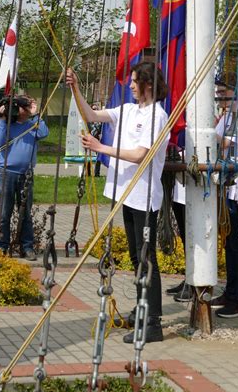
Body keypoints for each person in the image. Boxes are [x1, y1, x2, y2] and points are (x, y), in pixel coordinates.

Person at [67, 61, 170, 343]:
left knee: (146, 259)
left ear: (148, 84)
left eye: (135, 81)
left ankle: (153, 323)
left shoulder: (156, 116)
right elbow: (90, 114)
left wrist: (101, 148)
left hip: (144, 195)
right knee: (137, 257)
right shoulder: (127, 110)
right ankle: (141, 308)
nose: (131, 85)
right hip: (126, 193)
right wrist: (75, 86)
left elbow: (140, 154)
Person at [0, 95, 49, 260]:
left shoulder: (32, 125)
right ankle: (3, 247)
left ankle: (27, 247)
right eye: (20, 107)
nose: (22, 110)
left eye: (25, 107)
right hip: (7, 172)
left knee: (25, 213)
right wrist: (3, 118)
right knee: (5, 213)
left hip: (26, 173)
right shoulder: (7, 125)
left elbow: (44, 133)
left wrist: (36, 113)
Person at [211, 93, 238, 318]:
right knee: (229, 241)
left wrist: (204, 130)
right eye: (219, 97)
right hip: (224, 186)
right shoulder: (226, 119)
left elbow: (227, 142)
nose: (221, 102)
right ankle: (231, 290)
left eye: (225, 97)